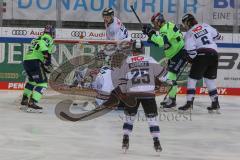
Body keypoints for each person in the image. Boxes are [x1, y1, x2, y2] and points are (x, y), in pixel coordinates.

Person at [114, 40, 164, 152]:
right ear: (143, 50)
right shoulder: (150, 59)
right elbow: (163, 75)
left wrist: (124, 91)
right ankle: (156, 142)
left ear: (132, 50)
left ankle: (125, 140)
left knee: (129, 118)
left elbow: (121, 79)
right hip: (148, 93)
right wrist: (169, 81)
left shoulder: (127, 61)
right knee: (152, 119)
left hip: (132, 94)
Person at [142, 12, 187, 110]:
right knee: (170, 77)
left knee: (170, 77)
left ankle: (172, 100)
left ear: (159, 20)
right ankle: (172, 99)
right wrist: (151, 36)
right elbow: (162, 44)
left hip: (179, 54)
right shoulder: (165, 27)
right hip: (174, 55)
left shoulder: (166, 28)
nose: (154, 24)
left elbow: (162, 42)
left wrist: (151, 34)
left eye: (154, 22)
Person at [178, 14, 221, 113]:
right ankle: (215, 102)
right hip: (214, 54)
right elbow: (218, 36)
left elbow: (192, 52)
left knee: (192, 79)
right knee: (209, 80)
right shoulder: (205, 25)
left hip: (202, 54)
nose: (184, 25)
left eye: (184, 23)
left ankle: (189, 103)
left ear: (188, 22)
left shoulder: (189, 33)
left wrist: (189, 58)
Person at [20, 25, 55, 113]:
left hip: (26, 60)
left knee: (31, 81)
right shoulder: (48, 37)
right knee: (43, 84)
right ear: (52, 32)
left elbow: (40, 46)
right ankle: (32, 102)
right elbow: (44, 47)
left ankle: (24, 100)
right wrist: (46, 59)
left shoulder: (38, 38)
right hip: (35, 61)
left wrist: (47, 61)